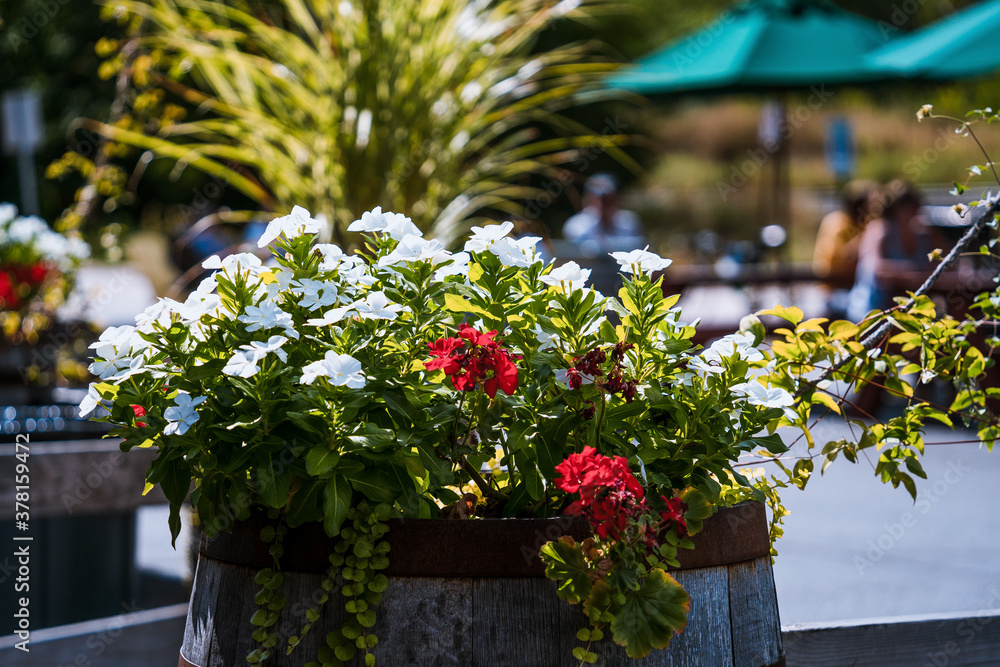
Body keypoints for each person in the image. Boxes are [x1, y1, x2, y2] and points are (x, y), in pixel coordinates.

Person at [847, 181, 943, 322]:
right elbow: (875, 270)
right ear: (896, 208)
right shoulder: (878, 229)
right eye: (909, 206)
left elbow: (949, 263)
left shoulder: (924, 233)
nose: (915, 211)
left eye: (916, 205)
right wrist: (915, 273)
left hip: (910, 314)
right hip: (871, 313)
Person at [813, 180, 877, 318]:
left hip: (859, 287)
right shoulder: (836, 223)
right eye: (870, 206)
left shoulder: (868, 223)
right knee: (859, 311)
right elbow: (838, 262)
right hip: (835, 289)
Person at [562, 173, 644, 256]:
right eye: (598, 197)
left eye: (607, 198)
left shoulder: (629, 220)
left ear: (616, 198)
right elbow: (585, 250)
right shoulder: (576, 224)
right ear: (588, 198)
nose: (602, 203)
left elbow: (637, 247)